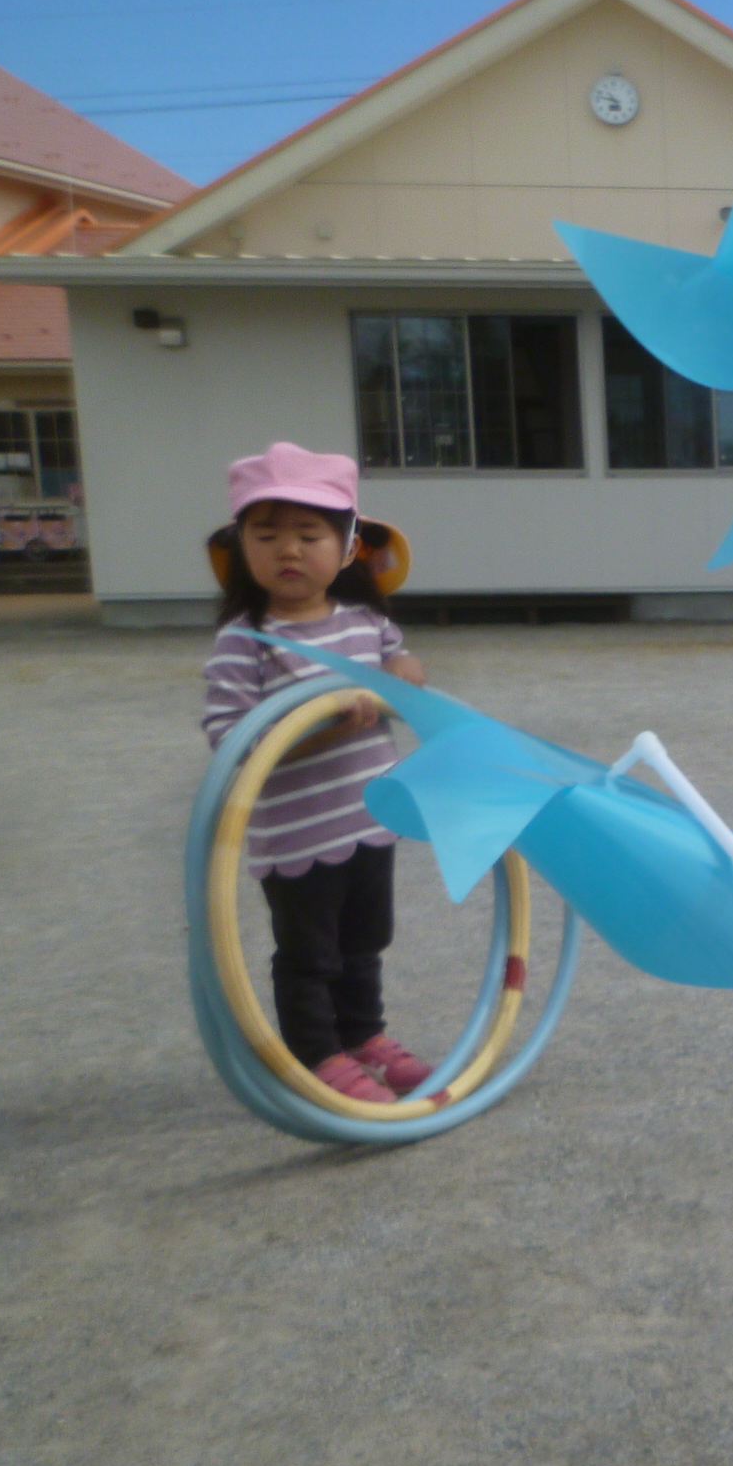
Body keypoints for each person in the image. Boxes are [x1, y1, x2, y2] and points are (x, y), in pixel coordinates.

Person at [199, 442, 433, 1104]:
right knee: (310, 955)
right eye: (266, 535)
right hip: (299, 837)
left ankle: (364, 1037)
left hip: (371, 820)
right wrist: (329, 727)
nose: (289, 551)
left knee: (364, 941)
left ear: (349, 546)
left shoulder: (366, 623)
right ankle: (318, 1057)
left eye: (309, 535)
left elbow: (406, 670)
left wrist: (404, 675)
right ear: (240, 548)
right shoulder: (244, 642)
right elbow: (230, 738)